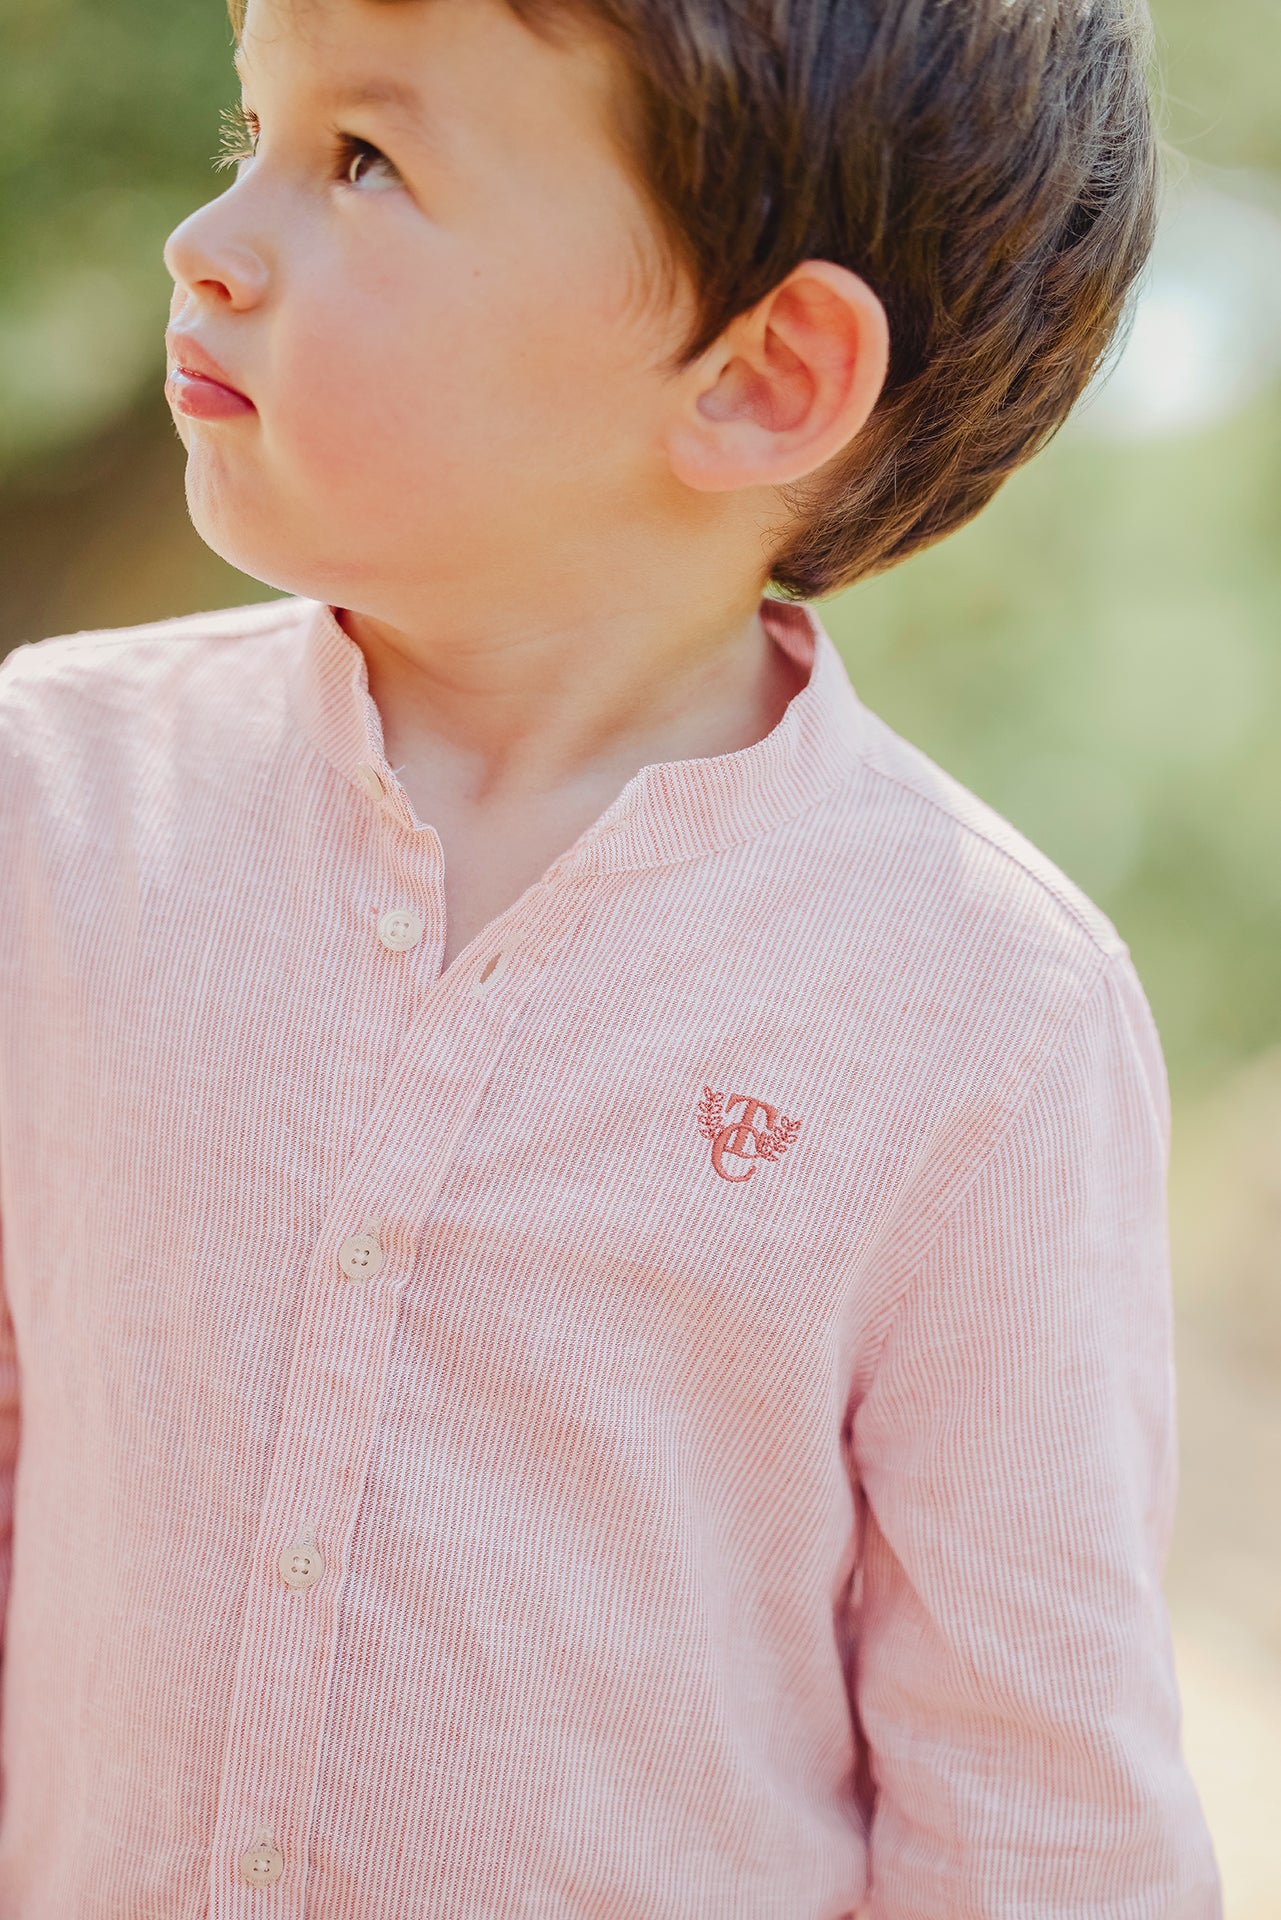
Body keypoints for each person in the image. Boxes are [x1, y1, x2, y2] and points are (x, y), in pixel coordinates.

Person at [0, 0, 1223, 1912]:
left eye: (362, 161)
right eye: (248, 132)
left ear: (760, 376)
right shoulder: (56, 799)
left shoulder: (982, 1009)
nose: (206, 240)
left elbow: (1033, 1798)